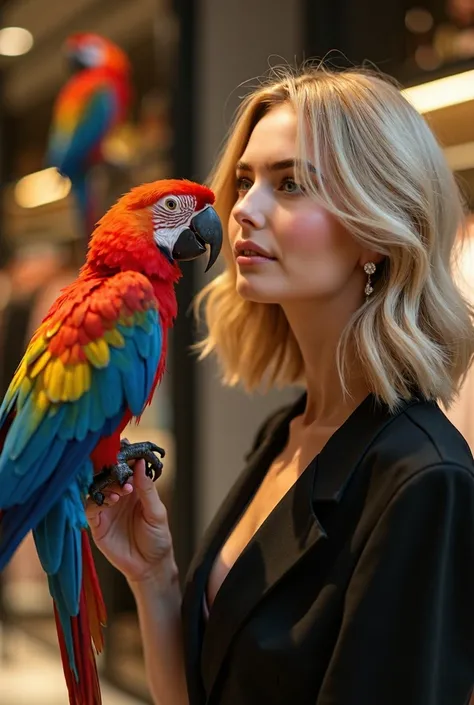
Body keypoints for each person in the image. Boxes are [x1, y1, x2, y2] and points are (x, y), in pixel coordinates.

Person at [86, 65, 474, 705]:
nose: (242, 209)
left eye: (291, 184)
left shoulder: (422, 481)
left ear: (377, 228)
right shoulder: (288, 432)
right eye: (244, 180)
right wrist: (155, 577)